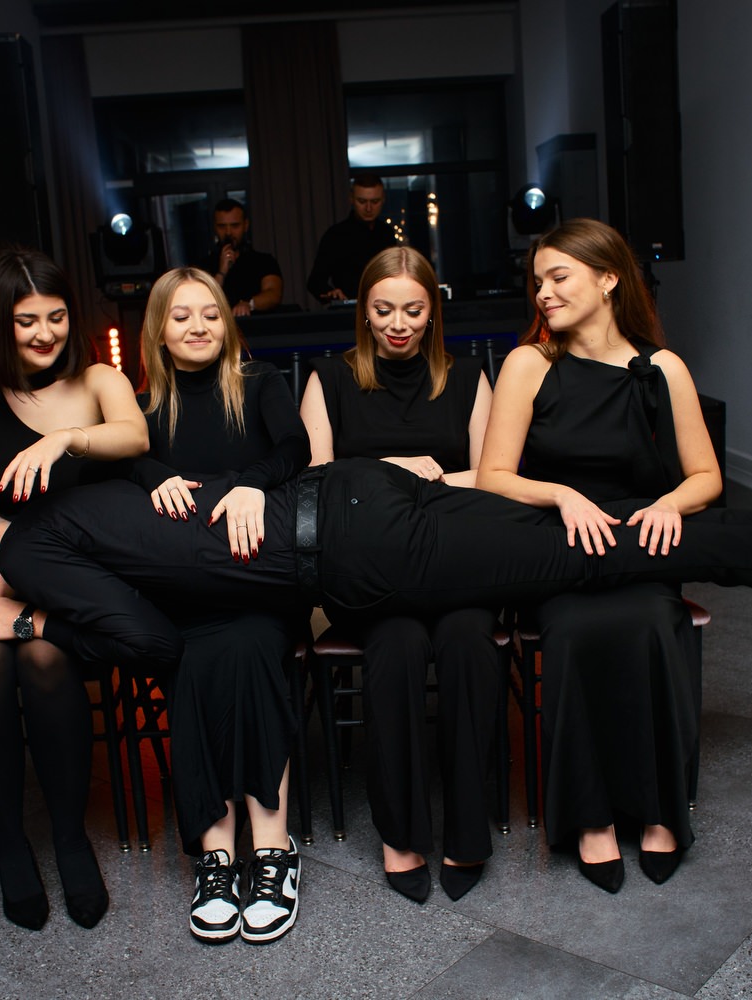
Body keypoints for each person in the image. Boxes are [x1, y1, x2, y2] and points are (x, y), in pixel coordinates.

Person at [0, 463, 752, 713]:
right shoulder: (76, 506)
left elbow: (151, 644)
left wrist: (29, 619)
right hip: (353, 497)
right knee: (573, 540)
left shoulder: (27, 555)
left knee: (578, 555)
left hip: (360, 548)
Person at [474, 218, 742, 891]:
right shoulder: (530, 364)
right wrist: (561, 494)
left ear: (608, 279)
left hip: (641, 546)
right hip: (560, 549)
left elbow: (706, 477)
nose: (543, 292)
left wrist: (669, 505)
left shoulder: (662, 369)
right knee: (574, 630)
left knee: (654, 623)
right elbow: (493, 476)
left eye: (558, 276)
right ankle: (590, 818)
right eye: (537, 280)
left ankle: (659, 811)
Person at [0, 246, 150, 931]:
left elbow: (134, 438)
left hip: (69, 589)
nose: (45, 333)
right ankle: (12, 846)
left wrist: (65, 439)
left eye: (55, 316)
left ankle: (71, 840)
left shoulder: (97, 381)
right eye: (26, 321)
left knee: (46, 658)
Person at [299, 247, 498, 903]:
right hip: (371, 574)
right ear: (363, 310)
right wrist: (397, 472)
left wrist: (404, 485)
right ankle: (402, 833)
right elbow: (315, 485)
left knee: (469, 641)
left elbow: (495, 479)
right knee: (398, 644)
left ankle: (467, 828)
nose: (398, 324)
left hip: (457, 563)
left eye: (413, 310)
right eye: (383, 310)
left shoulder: (468, 378)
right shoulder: (329, 380)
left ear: (433, 311)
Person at [132, 267, 310, 943]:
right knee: (190, 656)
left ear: (227, 322)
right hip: (186, 593)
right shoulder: (143, 406)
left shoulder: (259, 383)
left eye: (210, 313)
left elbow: (295, 447)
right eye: (181, 316)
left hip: (259, 582)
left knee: (255, 648)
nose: (198, 326)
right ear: (159, 330)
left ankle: (271, 851)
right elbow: (116, 460)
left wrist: (251, 485)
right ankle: (215, 859)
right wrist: (155, 476)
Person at [306, 175, 402, 302]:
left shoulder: (386, 233)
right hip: (350, 308)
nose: (368, 208)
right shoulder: (335, 235)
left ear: (383, 199)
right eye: (362, 201)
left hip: (385, 305)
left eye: (375, 201)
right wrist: (332, 293)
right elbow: (315, 282)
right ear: (351, 199)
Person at [199, 199, 283, 317]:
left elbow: (273, 295)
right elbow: (200, 301)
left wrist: (249, 304)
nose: (228, 232)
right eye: (222, 226)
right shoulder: (203, 265)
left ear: (245, 225)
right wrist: (221, 273)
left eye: (235, 226)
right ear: (215, 227)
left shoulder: (264, 261)